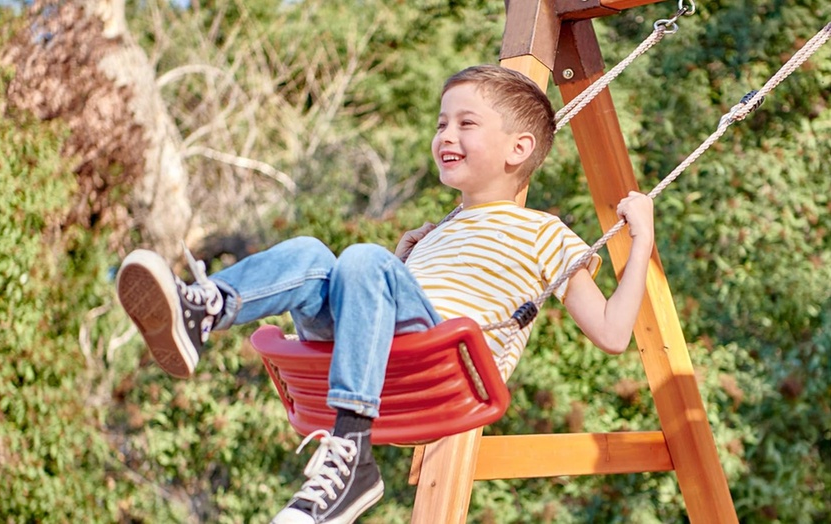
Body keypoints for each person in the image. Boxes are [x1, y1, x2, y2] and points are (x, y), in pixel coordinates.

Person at [115, 64, 654, 524]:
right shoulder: (436, 230)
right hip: (383, 363)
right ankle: (204, 310)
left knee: (360, 258)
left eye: (466, 123)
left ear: (519, 148)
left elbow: (610, 332)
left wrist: (642, 239)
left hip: (446, 369)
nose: (446, 134)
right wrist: (399, 265)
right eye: (442, 122)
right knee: (309, 253)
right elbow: (371, 306)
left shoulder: (544, 232)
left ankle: (352, 451)